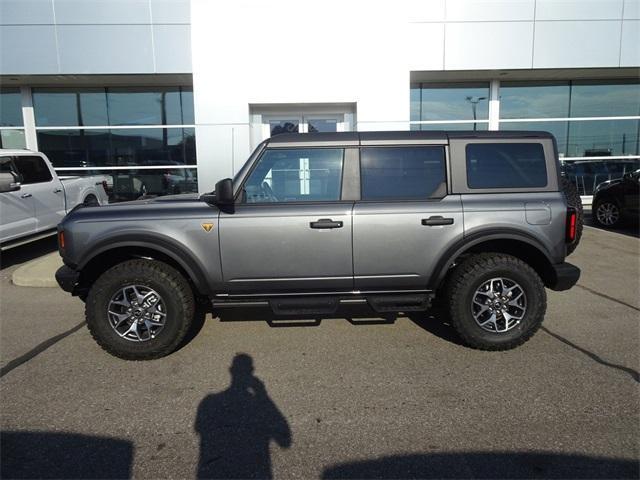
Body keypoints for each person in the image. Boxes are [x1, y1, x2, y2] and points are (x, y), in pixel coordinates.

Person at [195, 354, 292, 479]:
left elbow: (199, 430)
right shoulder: (257, 403)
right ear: (251, 372)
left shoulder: (208, 403)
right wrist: (263, 395)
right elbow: (285, 440)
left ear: (231, 371)